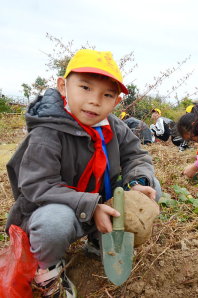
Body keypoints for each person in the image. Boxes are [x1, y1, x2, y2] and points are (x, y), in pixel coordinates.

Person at [5, 49, 162, 298]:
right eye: (85, 88)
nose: (95, 101)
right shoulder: (47, 133)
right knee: (55, 224)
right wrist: (92, 206)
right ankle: (48, 268)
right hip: (55, 210)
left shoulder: (114, 126)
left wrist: (138, 183)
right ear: (63, 87)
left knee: (151, 187)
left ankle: (98, 241)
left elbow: (137, 156)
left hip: (98, 207)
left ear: (116, 102)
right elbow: (38, 186)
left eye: (107, 94)